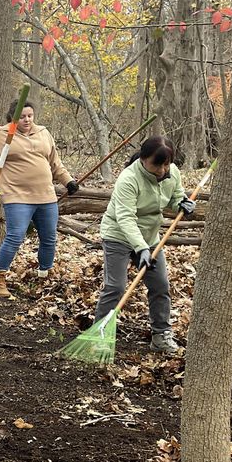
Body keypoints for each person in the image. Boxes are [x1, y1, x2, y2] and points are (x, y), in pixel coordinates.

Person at [93, 136, 193, 353]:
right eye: (158, 164)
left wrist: (182, 204)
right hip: (118, 235)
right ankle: (99, 335)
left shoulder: (171, 172)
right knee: (116, 287)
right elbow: (125, 217)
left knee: (160, 286)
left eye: (167, 163)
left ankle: (160, 335)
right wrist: (141, 249)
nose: (163, 170)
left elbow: (175, 197)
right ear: (144, 159)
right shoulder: (129, 179)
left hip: (150, 237)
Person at [0, 100, 78, 298]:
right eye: (22, 116)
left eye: (30, 116)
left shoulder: (43, 133)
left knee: (49, 238)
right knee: (16, 236)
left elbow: (55, 163)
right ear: (14, 118)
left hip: (46, 195)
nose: (27, 120)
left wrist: (68, 181)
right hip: (16, 195)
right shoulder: (4, 134)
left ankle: (43, 277)